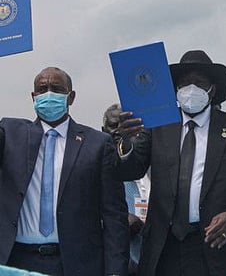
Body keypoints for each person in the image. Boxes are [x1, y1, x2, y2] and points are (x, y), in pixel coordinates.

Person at [114, 50, 226, 276]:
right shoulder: (157, 126)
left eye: (199, 83)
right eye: (184, 83)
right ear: (175, 90)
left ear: (212, 90)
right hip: (164, 247)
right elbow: (130, 169)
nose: (191, 89)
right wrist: (125, 143)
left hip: (216, 246)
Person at [0, 67, 129, 276]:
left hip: (75, 263)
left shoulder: (97, 144)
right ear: (33, 97)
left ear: (71, 97)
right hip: (17, 260)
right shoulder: (10, 134)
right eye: (42, 89)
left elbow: (114, 215)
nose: (48, 94)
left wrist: (115, 271)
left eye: (56, 88)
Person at [102, 103, 151, 275]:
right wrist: (124, 219)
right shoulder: (96, 167)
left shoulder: (154, 166)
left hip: (153, 259)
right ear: (103, 130)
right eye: (114, 126)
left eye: (126, 125)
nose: (120, 131)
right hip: (116, 261)